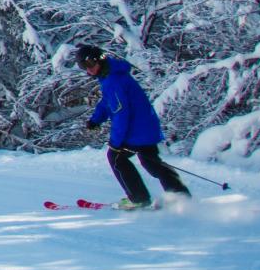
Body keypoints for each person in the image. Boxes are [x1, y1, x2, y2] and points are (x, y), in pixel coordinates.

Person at [79, 46, 190, 210]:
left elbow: (121, 113)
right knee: (151, 163)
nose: (88, 70)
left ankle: (138, 198)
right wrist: (96, 119)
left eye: (89, 64)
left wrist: (116, 142)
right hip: (146, 127)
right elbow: (108, 102)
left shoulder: (113, 80)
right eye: (83, 66)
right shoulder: (111, 76)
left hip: (136, 130)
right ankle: (180, 195)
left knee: (116, 157)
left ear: (99, 60)